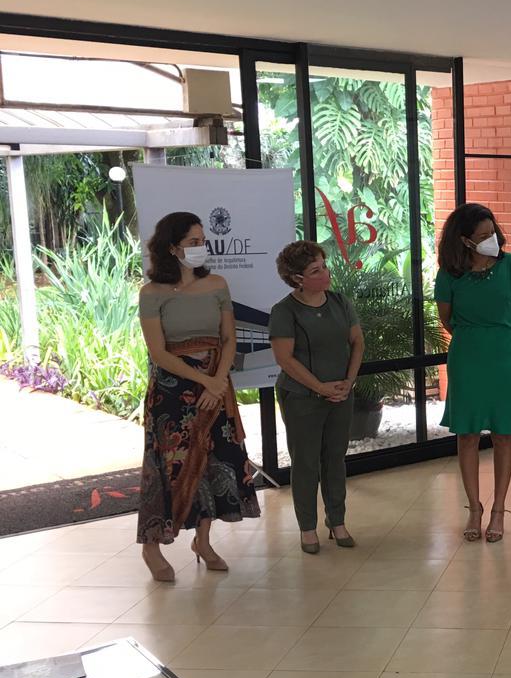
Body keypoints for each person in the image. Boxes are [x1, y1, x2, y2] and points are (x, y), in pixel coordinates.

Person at [136, 212, 260, 581]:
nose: (200, 247)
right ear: (172, 248)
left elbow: (229, 338)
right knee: (169, 466)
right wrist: (203, 381)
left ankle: (203, 542)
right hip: (173, 392)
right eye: (193, 242)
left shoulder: (217, 284)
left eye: (202, 241)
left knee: (216, 460)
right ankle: (152, 547)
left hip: (215, 385)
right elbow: (158, 352)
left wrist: (217, 381)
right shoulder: (151, 293)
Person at [434, 203, 511, 543]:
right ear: (464, 240)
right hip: (466, 356)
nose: (492, 239)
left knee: (504, 433)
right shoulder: (450, 273)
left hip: (503, 354)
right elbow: (446, 319)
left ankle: (499, 509)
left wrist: (495, 332)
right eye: (482, 235)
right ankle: (474, 508)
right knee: (468, 434)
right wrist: (475, 334)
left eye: (493, 232)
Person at [268, 241, 365, 555]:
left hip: (341, 394)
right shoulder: (284, 311)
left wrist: (348, 382)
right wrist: (320, 388)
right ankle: (307, 528)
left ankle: (337, 521)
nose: (325, 274)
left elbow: (357, 342)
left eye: (324, 266)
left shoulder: (340, 302)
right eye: (315, 271)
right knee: (306, 462)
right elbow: (285, 359)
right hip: (301, 397)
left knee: (335, 459)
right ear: (297, 279)